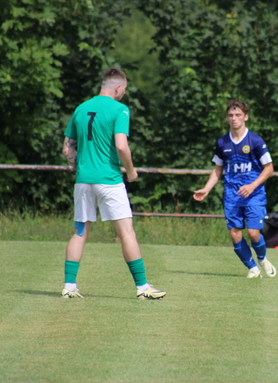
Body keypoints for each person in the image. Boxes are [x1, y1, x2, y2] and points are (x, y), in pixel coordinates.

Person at [61, 68, 166, 299]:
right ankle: (142, 288)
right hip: (109, 180)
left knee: (80, 231)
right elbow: (121, 145)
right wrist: (130, 170)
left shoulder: (80, 108)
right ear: (118, 87)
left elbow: (67, 148)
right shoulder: (120, 109)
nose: (124, 93)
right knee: (127, 233)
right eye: (125, 89)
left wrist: (80, 165)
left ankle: (69, 287)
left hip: (83, 182)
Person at [193, 100, 277, 278]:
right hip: (232, 194)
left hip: (254, 194)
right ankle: (253, 268)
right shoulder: (222, 142)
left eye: (238, 115)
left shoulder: (255, 140)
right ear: (226, 118)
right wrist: (206, 189)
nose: (234, 118)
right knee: (234, 234)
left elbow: (269, 168)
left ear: (246, 117)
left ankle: (262, 258)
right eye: (231, 115)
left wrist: (252, 185)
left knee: (254, 234)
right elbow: (217, 169)